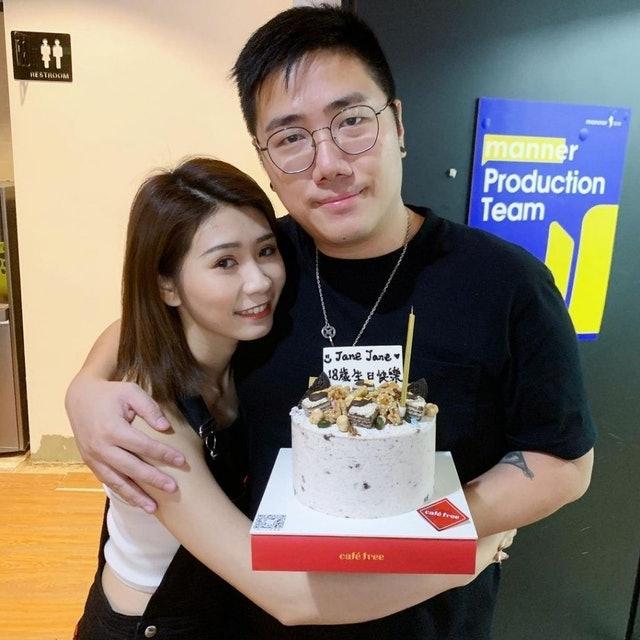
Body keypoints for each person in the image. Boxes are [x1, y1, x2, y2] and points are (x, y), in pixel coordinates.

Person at [66, 6, 595, 639]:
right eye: (291, 137)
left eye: (351, 122)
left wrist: (434, 530)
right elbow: (156, 321)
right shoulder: (266, 262)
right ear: (265, 159)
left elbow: (563, 461)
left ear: (397, 124)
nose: (329, 163)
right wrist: (84, 389)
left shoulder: (504, 282)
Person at [73, 156, 513, 640]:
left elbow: (129, 327)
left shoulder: (240, 344)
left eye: (265, 251)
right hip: (157, 625)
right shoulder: (152, 421)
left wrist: (84, 382)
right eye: (224, 263)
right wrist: (469, 560)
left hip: (230, 611)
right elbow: (288, 598)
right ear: (167, 285)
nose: (259, 281)